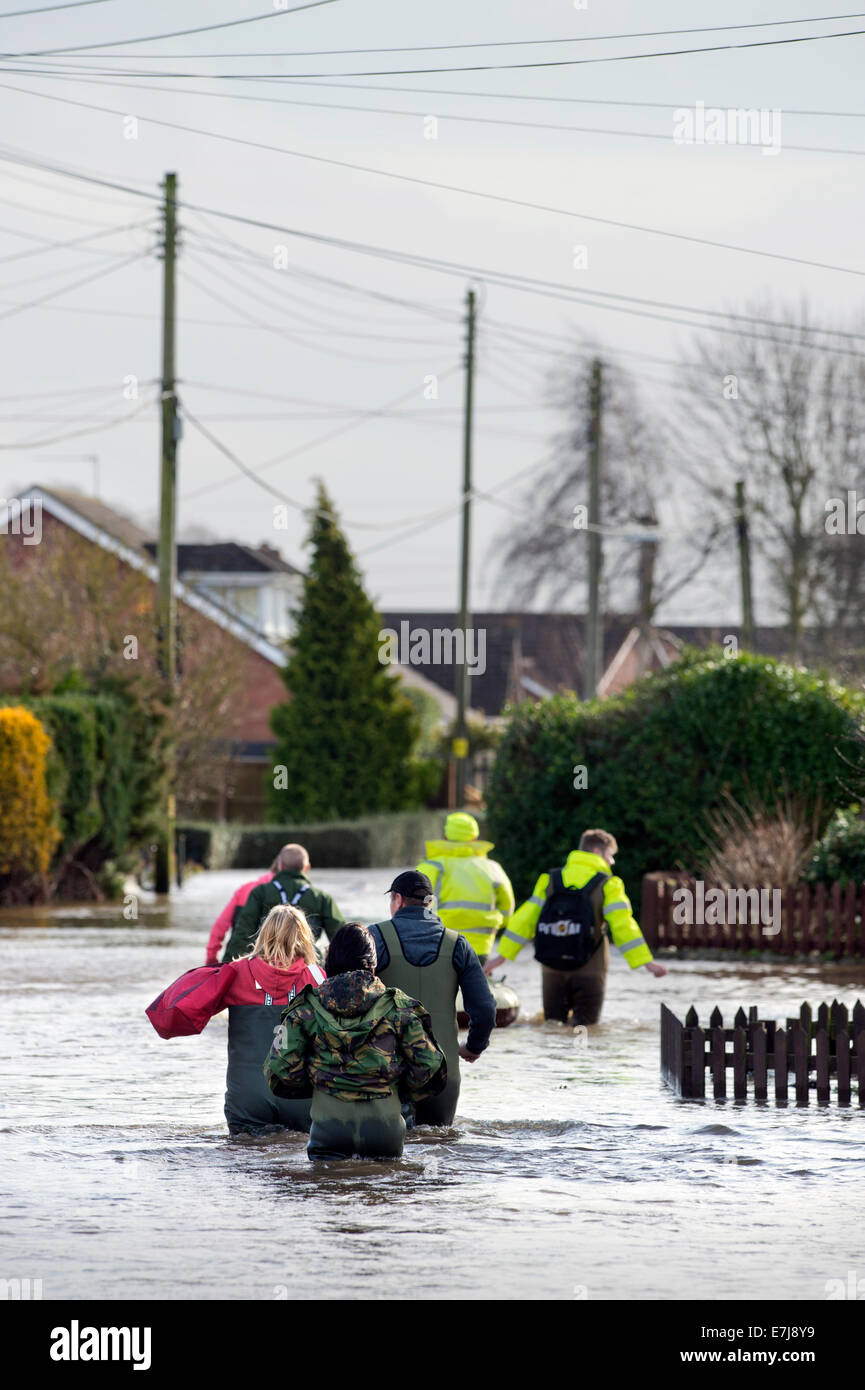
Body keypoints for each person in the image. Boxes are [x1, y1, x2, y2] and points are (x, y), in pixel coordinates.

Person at [264, 923, 446, 1160]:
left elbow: (279, 1068)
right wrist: (396, 1090)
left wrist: (321, 1086)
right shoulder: (400, 1009)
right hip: (385, 1132)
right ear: (373, 964)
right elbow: (431, 1067)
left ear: (330, 961)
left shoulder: (303, 1010)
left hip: (328, 1131)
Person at [146, 905, 326, 1136]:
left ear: (264, 935)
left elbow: (187, 1007)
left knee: (244, 1163)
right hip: (300, 1098)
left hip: (246, 1098)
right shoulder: (318, 978)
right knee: (294, 1158)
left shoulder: (235, 973)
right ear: (304, 939)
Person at [484, 828, 667, 1025]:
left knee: (552, 1028)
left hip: (551, 968)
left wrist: (501, 957)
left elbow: (524, 920)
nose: (612, 862)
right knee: (587, 1028)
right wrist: (647, 962)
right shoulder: (609, 885)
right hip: (590, 970)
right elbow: (623, 925)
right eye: (611, 856)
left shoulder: (549, 880)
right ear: (598, 852)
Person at [367, 870, 496, 1126]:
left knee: (389, 1158)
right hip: (444, 1075)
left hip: (387, 1073)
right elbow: (485, 1009)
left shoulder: (374, 937)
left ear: (398, 899)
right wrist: (474, 1046)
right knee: (439, 1146)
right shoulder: (458, 944)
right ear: (429, 902)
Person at [416, 811, 515, 964]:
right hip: (480, 947)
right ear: (475, 838)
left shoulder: (431, 867)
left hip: (439, 946)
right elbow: (507, 909)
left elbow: (411, 906)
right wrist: (494, 924)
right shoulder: (492, 868)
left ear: (445, 837)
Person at [222, 843, 344, 963]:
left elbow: (242, 935)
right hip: (309, 966)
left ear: (280, 865)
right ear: (307, 868)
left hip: (266, 965)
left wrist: (226, 967)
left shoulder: (260, 893)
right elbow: (342, 939)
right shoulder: (322, 898)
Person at [204, 857, 281, 965]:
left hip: (237, 959)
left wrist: (211, 958)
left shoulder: (246, 888)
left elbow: (220, 925)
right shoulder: (296, 894)